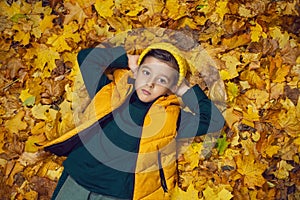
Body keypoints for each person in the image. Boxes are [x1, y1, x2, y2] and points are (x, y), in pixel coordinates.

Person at [42, 42, 225, 200]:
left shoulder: (171, 118)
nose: (150, 83)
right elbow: (86, 58)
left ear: (170, 87)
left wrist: (184, 89)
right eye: (147, 72)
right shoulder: (109, 92)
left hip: (116, 192)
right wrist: (127, 59)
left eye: (161, 79)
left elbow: (214, 120)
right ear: (137, 72)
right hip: (77, 175)